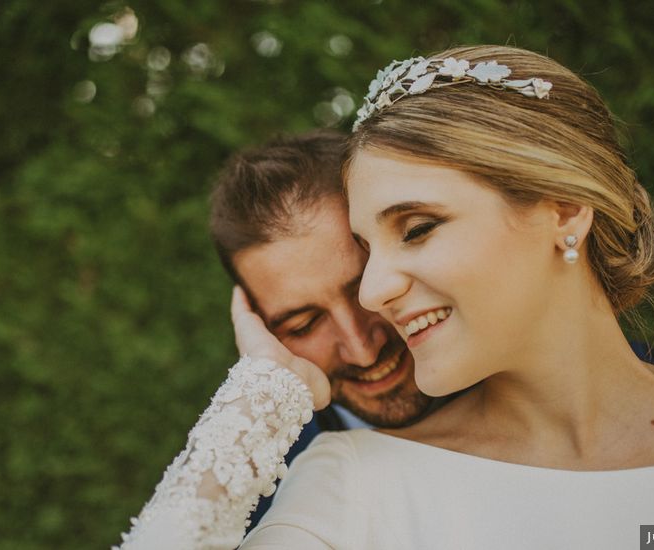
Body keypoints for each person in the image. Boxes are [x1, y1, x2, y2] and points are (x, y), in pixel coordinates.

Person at [239, 45, 654, 548]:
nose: (373, 293)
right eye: (367, 250)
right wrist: (254, 399)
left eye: (417, 229)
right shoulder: (351, 484)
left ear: (565, 209)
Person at [114, 132, 440, 550]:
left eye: (365, 288)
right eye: (304, 325)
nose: (362, 347)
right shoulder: (270, 498)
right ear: (258, 325)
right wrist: (264, 381)